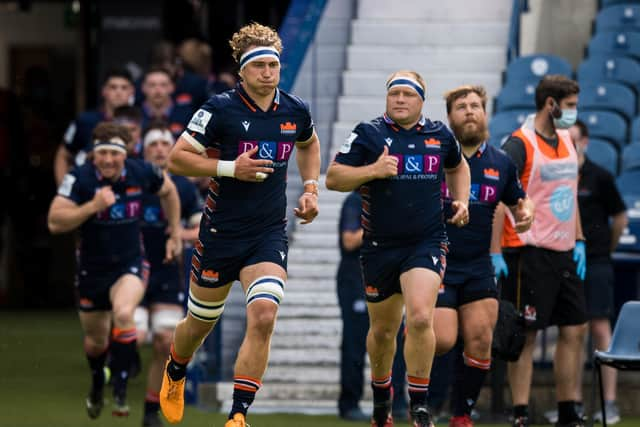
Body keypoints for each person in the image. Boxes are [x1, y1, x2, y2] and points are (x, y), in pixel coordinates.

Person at [158, 22, 321, 427]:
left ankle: (238, 415)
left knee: (264, 313)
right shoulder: (219, 109)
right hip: (220, 234)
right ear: (243, 72)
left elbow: (309, 143)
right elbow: (177, 159)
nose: (268, 72)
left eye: (274, 65)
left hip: (267, 233)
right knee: (198, 324)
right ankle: (176, 369)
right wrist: (231, 167)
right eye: (260, 65)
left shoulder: (295, 109)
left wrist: (312, 188)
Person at [326, 70, 471, 427]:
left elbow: (459, 166)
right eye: (394, 94)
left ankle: (418, 405)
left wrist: (462, 200)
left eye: (408, 94)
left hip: (426, 241)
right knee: (383, 332)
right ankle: (381, 399)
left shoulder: (440, 135)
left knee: (421, 316)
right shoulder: (369, 133)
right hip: (379, 247)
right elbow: (333, 177)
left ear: (421, 100)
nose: (400, 100)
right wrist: (373, 170)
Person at [46, 122, 182, 419]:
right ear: (93, 155)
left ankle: (121, 387)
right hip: (92, 271)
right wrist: (91, 206)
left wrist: (174, 233)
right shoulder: (79, 178)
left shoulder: (142, 171)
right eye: (102, 153)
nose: (108, 160)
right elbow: (55, 222)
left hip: (129, 263)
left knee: (123, 314)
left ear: (126, 154)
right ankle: (98, 381)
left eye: (114, 153)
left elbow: (169, 192)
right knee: (95, 341)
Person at [434, 85, 534, 427]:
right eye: (461, 107)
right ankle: (414, 397)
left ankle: (461, 415)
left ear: (485, 113)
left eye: (476, 105)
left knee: (480, 338)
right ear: (450, 118)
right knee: (443, 338)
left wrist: (526, 213)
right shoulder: (436, 158)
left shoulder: (501, 162)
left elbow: (520, 200)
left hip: (478, 266)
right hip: (439, 262)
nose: (470, 111)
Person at [493, 75, 588, 427]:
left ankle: (568, 410)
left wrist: (579, 240)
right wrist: (496, 252)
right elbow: (499, 196)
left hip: (564, 250)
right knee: (527, 334)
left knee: (575, 329)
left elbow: (571, 193)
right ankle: (520, 413)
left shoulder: (566, 139)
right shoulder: (519, 144)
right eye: (571, 106)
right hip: (529, 251)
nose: (574, 113)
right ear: (551, 104)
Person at [544, 119, 628, 425]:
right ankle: (572, 403)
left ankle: (609, 402)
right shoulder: (554, 175)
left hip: (596, 262)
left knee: (600, 329)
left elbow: (619, 218)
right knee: (571, 331)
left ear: (585, 142)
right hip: (563, 261)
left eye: (574, 138)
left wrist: (605, 250)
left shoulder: (601, 177)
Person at [137, 123, 202, 427]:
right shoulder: (130, 182)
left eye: (166, 144)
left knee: (165, 341)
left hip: (167, 271)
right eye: (154, 145)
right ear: (143, 150)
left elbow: (202, 229)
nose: (160, 149)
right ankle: (116, 370)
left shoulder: (185, 187)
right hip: (130, 270)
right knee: (133, 337)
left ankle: (151, 410)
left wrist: (178, 234)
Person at [337, 190, 408, 422]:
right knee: (355, 342)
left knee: (394, 339)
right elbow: (349, 240)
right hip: (355, 279)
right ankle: (349, 403)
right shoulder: (356, 200)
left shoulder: (390, 198)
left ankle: (396, 402)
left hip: (386, 276)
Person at [53, 69, 134, 185]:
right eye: (113, 87)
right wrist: (64, 190)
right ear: (104, 91)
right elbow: (63, 155)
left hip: (130, 195)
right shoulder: (85, 120)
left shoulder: (140, 122)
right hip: (87, 192)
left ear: (132, 91)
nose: (118, 92)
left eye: (124, 88)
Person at [140, 67, 193, 139]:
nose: (157, 90)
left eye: (163, 85)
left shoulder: (187, 116)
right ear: (143, 87)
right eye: (152, 85)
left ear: (172, 87)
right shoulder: (134, 116)